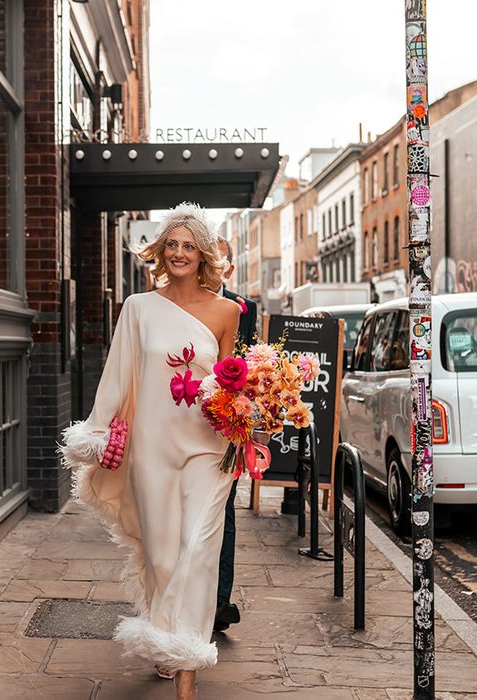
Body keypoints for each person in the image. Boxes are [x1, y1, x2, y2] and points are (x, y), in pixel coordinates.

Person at [59, 203, 240, 700]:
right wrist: (95, 434)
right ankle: (166, 634)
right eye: (172, 244)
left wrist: (247, 418)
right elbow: (117, 375)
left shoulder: (228, 311)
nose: (180, 253)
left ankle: (187, 669)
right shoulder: (138, 308)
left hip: (208, 447)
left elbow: (233, 383)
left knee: (198, 549)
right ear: (161, 250)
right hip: (152, 447)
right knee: (163, 556)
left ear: (204, 254)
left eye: (189, 245)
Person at [213, 237, 257, 633]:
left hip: (229, 422)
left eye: (222, 261)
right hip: (191, 419)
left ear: (229, 267)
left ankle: (219, 601)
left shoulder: (245, 307)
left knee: (224, 509)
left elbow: (251, 359)